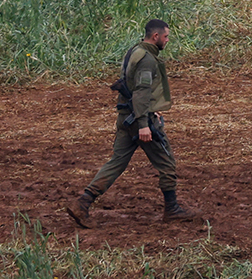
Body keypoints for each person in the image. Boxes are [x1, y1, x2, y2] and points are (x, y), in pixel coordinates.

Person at [66, 19, 200, 226]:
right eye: (166, 37)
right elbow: (141, 93)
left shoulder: (134, 51)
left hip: (125, 119)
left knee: (116, 162)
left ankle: (83, 202)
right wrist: (144, 124)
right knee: (167, 163)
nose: (167, 41)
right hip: (140, 121)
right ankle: (172, 208)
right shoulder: (147, 59)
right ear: (155, 36)